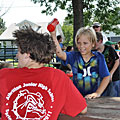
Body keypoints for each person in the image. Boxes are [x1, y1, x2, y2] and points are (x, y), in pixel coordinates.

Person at [0, 27, 87, 120]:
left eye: (18, 51)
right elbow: (82, 109)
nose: (17, 55)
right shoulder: (58, 77)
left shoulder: (4, 75)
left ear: (27, 54)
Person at [50, 27, 110, 99]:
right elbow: (60, 54)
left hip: (93, 97)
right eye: (79, 43)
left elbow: (106, 76)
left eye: (85, 43)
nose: (81, 46)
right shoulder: (73, 56)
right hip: (76, 97)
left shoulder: (99, 57)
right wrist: (53, 35)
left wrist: (97, 93)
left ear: (93, 44)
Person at [95, 32, 120, 97]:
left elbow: (117, 61)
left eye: (94, 42)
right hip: (102, 79)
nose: (93, 44)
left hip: (114, 78)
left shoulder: (109, 49)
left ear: (100, 41)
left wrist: (111, 74)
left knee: (113, 97)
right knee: (102, 97)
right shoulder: (94, 52)